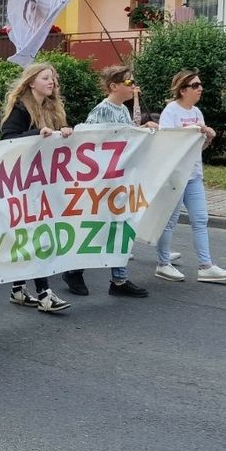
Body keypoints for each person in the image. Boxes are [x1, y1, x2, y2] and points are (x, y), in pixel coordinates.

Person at [63, 66, 155, 298]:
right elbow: (89, 141)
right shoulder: (101, 111)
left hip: (120, 180)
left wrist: (144, 130)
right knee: (97, 228)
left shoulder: (122, 109)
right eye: (128, 81)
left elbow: (126, 137)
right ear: (114, 86)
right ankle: (74, 270)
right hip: (102, 183)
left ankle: (119, 279)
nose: (133, 85)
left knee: (121, 225)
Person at [0, 63, 73, 313]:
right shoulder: (21, 107)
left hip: (47, 180)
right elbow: (7, 139)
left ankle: (18, 288)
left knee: (37, 234)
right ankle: (44, 293)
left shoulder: (54, 108)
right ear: (31, 82)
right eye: (45, 78)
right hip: (24, 181)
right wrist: (35, 133)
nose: (51, 82)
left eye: (53, 78)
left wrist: (64, 132)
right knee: (38, 234)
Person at [155, 70, 226, 283]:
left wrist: (207, 137)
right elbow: (166, 144)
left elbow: (198, 148)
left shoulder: (197, 112)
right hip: (175, 176)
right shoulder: (171, 111)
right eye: (195, 85)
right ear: (183, 90)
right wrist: (191, 129)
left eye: (200, 84)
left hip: (194, 174)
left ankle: (206, 266)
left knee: (200, 219)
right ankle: (163, 264)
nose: (200, 88)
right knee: (169, 221)